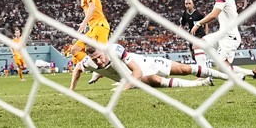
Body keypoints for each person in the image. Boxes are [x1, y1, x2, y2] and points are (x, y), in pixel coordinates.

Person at [190, 0, 256, 80]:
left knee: (223, 68)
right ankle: (203, 75)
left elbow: (214, 15)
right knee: (198, 45)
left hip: (229, 36)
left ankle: (244, 75)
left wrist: (198, 24)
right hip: (222, 34)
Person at [70, 44, 213, 90]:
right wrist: (72, 89)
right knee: (155, 80)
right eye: (96, 60)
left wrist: (122, 89)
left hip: (143, 64)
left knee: (184, 69)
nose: (99, 61)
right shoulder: (87, 62)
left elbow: (136, 69)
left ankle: (205, 75)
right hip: (133, 77)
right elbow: (77, 69)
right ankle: (200, 84)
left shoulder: (114, 51)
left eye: (100, 57)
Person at [68, 0, 110, 87]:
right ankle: (96, 68)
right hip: (92, 28)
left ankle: (124, 74)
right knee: (75, 50)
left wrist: (84, 22)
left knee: (103, 56)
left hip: (100, 25)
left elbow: (92, 7)